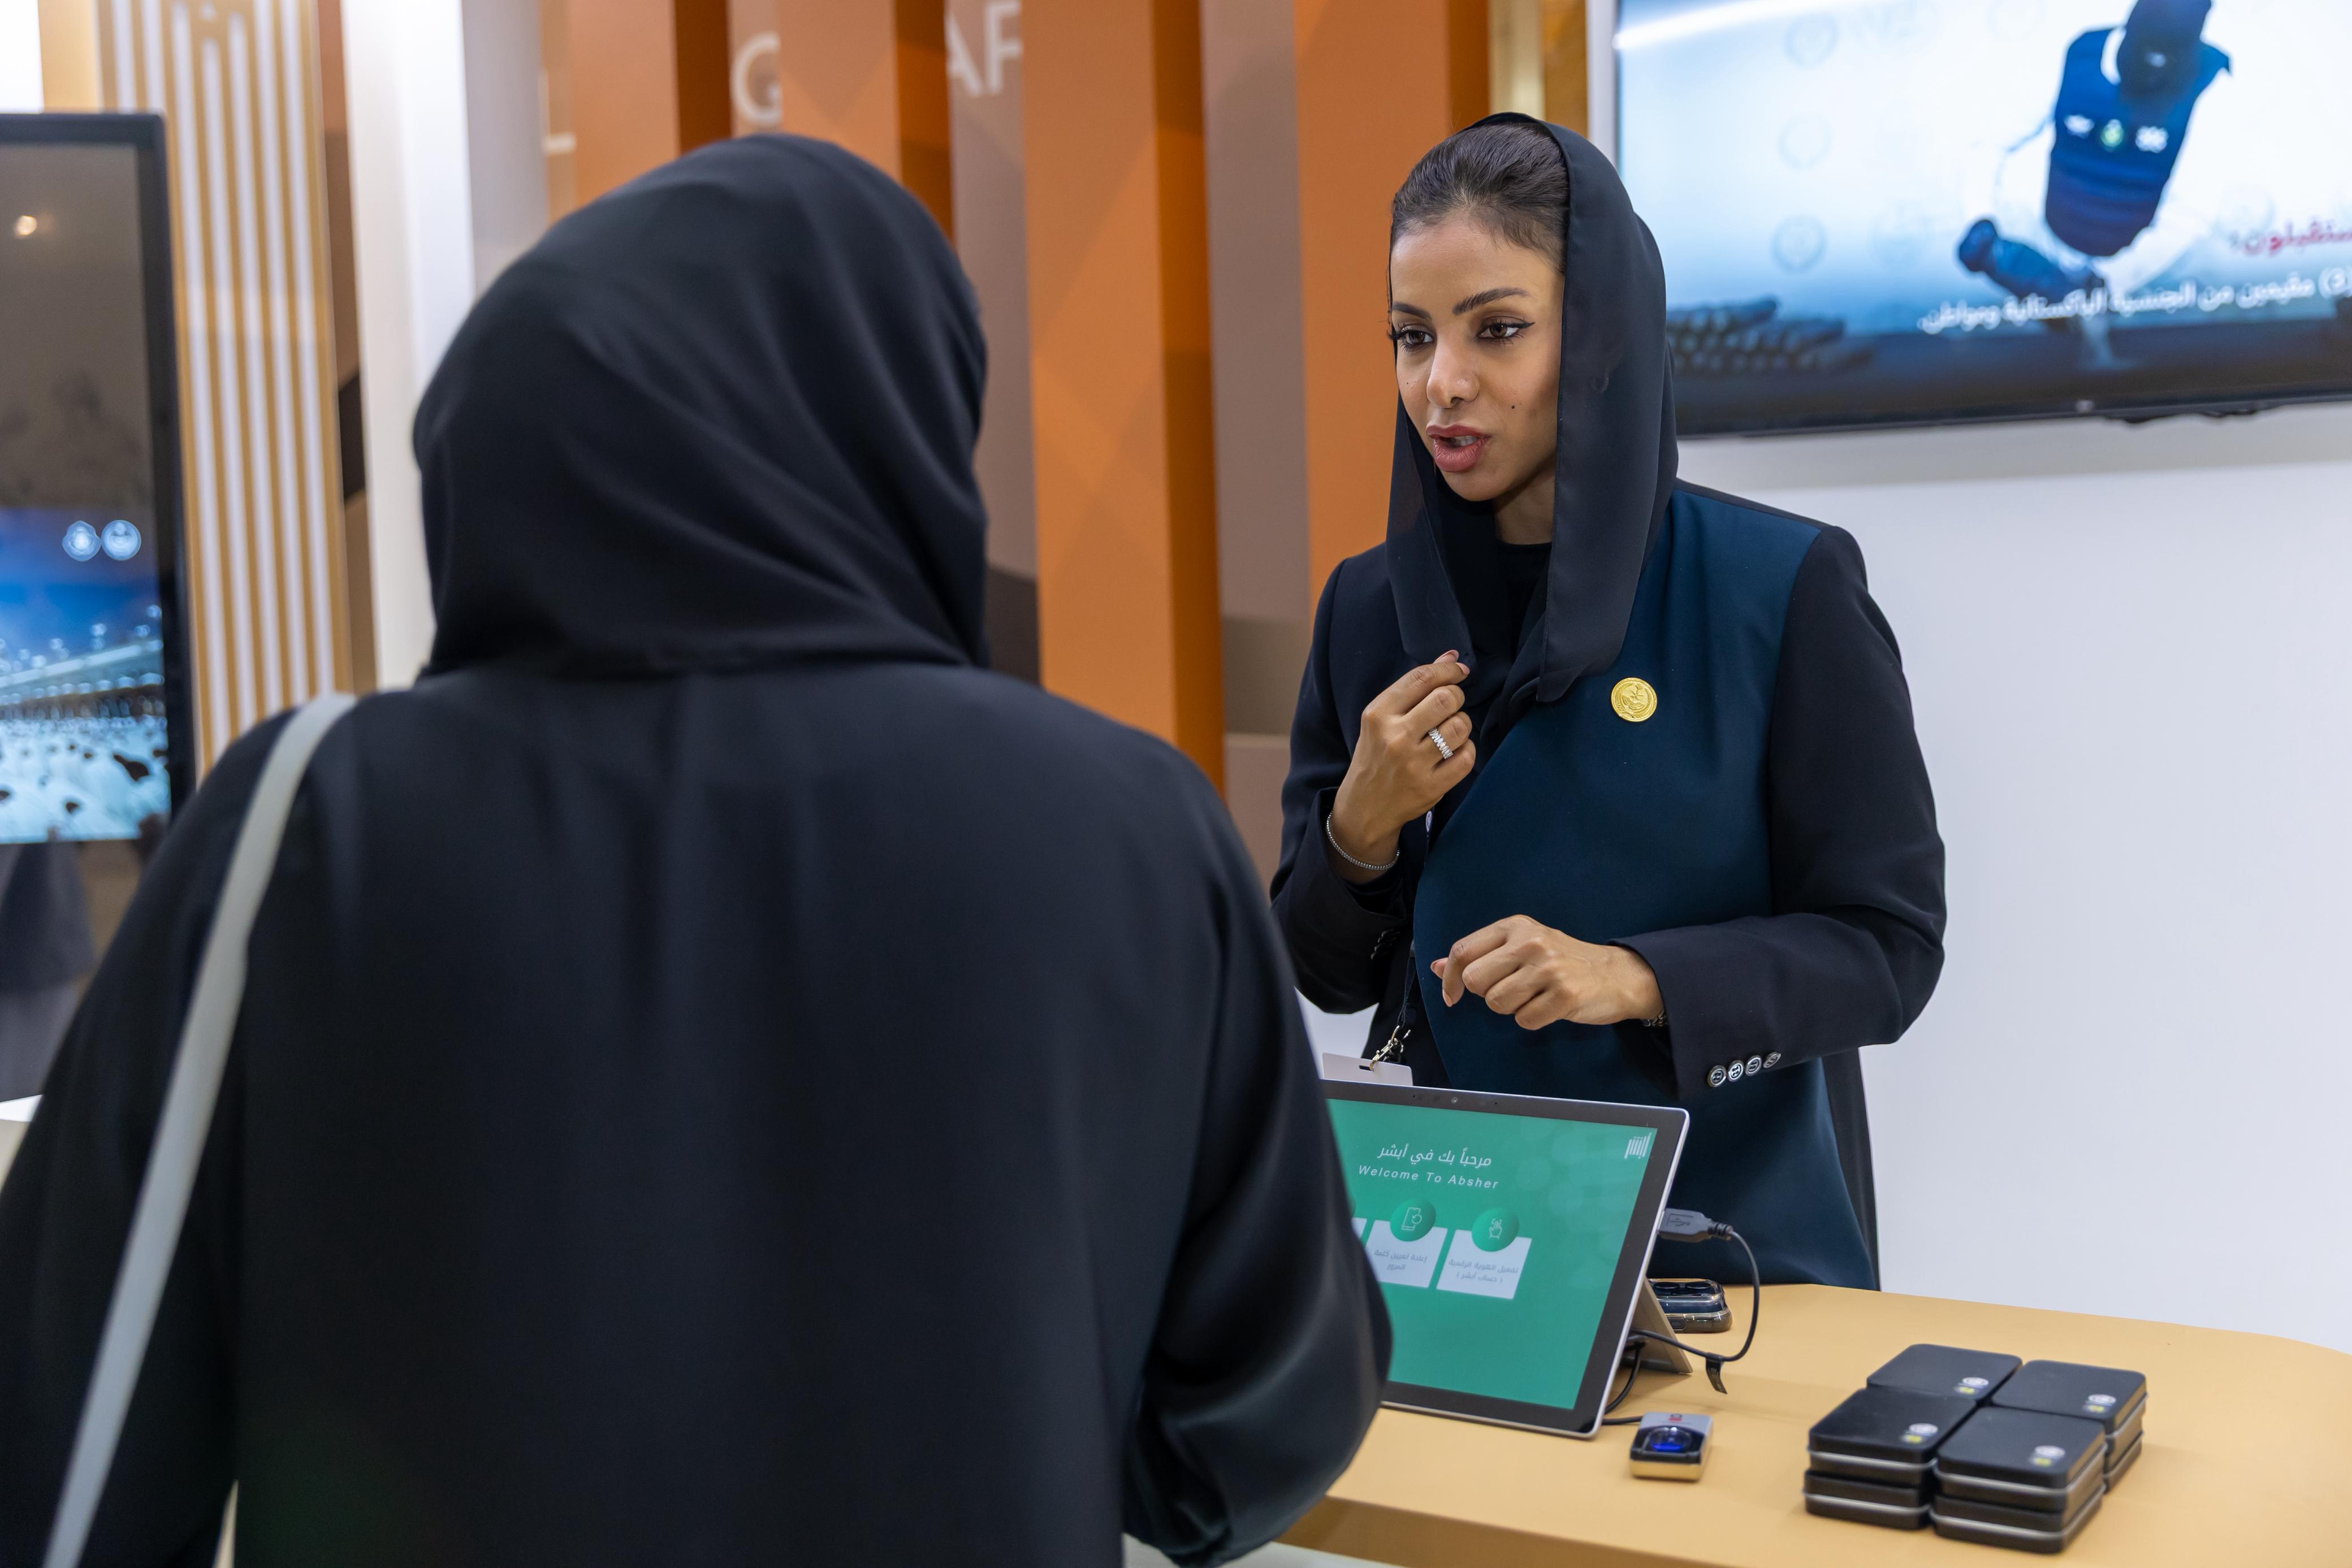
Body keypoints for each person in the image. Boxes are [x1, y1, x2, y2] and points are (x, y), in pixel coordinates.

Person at [0, 137, 1385, 1567]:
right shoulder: (1130, 832)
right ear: (903, 425)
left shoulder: (301, 820)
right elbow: (1257, 1428)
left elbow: (69, 1450)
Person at [1273, 116, 1945, 1291]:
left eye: (1496, 330)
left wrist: (1634, 977)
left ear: (1598, 334)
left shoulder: (1778, 586)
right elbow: (1321, 971)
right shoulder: (1367, 608)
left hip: (1721, 1257)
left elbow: (1888, 948)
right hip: (1453, 1248)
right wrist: (1357, 830)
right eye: (1411, 335)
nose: (1442, 383)